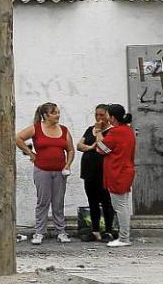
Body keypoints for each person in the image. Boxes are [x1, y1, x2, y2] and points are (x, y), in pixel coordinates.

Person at [16, 102, 75, 245]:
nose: (58, 115)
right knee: (43, 202)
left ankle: (61, 232)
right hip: (42, 170)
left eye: (58, 112)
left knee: (58, 202)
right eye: (54, 113)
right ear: (45, 115)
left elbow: (70, 150)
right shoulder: (36, 128)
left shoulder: (64, 130)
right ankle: (39, 232)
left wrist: (68, 164)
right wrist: (30, 153)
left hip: (60, 171)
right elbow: (18, 138)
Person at [96, 104, 136, 247]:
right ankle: (124, 236)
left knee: (120, 206)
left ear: (112, 117)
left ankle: (124, 238)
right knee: (123, 205)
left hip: (117, 172)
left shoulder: (116, 131)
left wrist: (98, 132)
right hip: (125, 171)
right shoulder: (128, 130)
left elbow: (102, 149)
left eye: (107, 115)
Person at [77, 104, 115, 242]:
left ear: (108, 116)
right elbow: (79, 145)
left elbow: (102, 146)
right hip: (88, 171)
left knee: (105, 201)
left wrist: (98, 131)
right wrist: (89, 147)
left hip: (103, 171)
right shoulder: (90, 129)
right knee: (92, 201)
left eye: (102, 115)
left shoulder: (111, 131)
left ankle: (108, 231)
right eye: (96, 115)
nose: (99, 118)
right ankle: (95, 230)